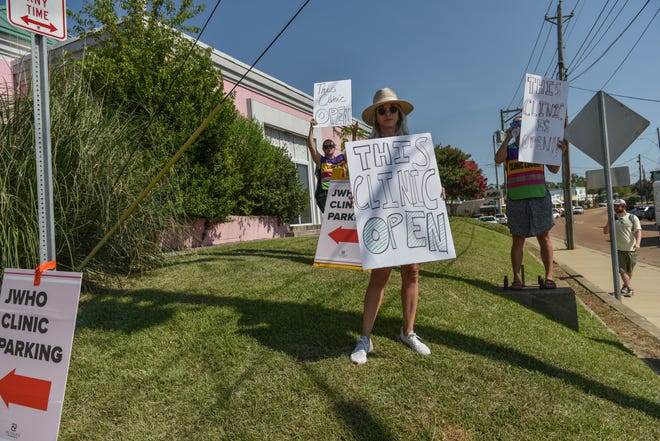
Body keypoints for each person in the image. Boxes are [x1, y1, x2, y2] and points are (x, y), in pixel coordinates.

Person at [350, 87, 432, 365]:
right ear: (375, 116)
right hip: (382, 219)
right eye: (382, 110)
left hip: (408, 216)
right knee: (380, 275)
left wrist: (436, 188)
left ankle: (408, 331)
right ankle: (365, 337)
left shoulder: (413, 146)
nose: (388, 114)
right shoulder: (366, 150)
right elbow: (362, 185)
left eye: (392, 109)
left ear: (400, 113)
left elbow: (422, 181)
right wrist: (355, 194)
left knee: (412, 272)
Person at [494, 115, 567, 290]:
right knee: (518, 239)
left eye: (522, 123)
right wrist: (508, 137)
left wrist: (559, 152)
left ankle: (549, 277)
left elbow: (554, 169)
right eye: (516, 124)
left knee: (544, 237)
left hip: (539, 197)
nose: (519, 126)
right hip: (517, 199)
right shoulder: (510, 149)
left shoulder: (538, 148)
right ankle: (517, 278)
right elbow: (498, 159)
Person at [307, 118, 357, 212]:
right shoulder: (321, 160)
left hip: (342, 193)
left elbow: (352, 150)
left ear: (334, 148)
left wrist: (354, 134)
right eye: (326, 147)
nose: (328, 148)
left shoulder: (342, 158)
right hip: (325, 194)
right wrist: (311, 128)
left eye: (330, 146)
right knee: (331, 220)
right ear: (323, 149)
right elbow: (311, 147)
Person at [602, 199, 642, 297]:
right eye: (614, 206)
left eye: (617, 206)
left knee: (629, 270)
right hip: (618, 249)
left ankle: (624, 286)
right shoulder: (613, 218)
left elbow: (638, 231)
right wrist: (609, 220)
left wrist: (638, 243)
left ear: (623, 207)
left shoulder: (632, 218)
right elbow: (605, 232)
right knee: (622, 270)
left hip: (631, 249)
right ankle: (629, 288)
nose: (615, 208)